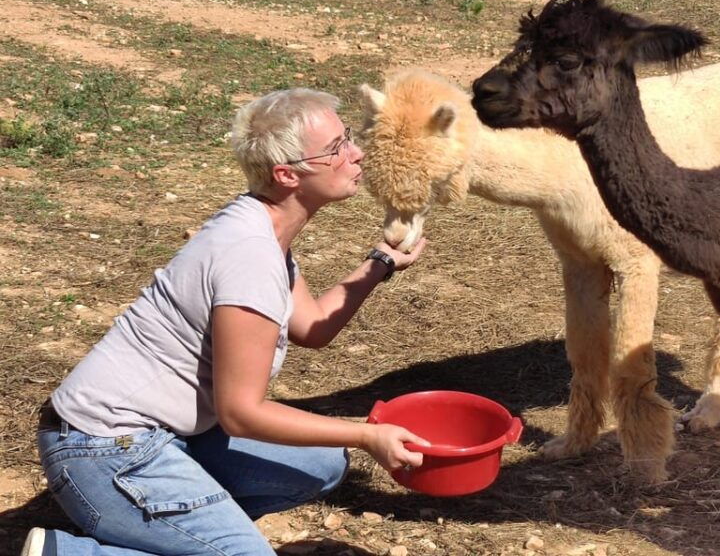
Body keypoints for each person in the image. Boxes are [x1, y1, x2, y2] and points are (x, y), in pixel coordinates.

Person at [21, 88, 428, 556]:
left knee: (323, 464)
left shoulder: (260, 225)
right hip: (104, 448)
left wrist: (381, 262)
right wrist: (367, 434)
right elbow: (241, 414)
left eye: (348, 138)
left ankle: (183, 531)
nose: (356, 154)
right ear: (287, 174)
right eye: (337, 147)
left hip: (163, 435)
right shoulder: (248, 255)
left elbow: (313, 327)